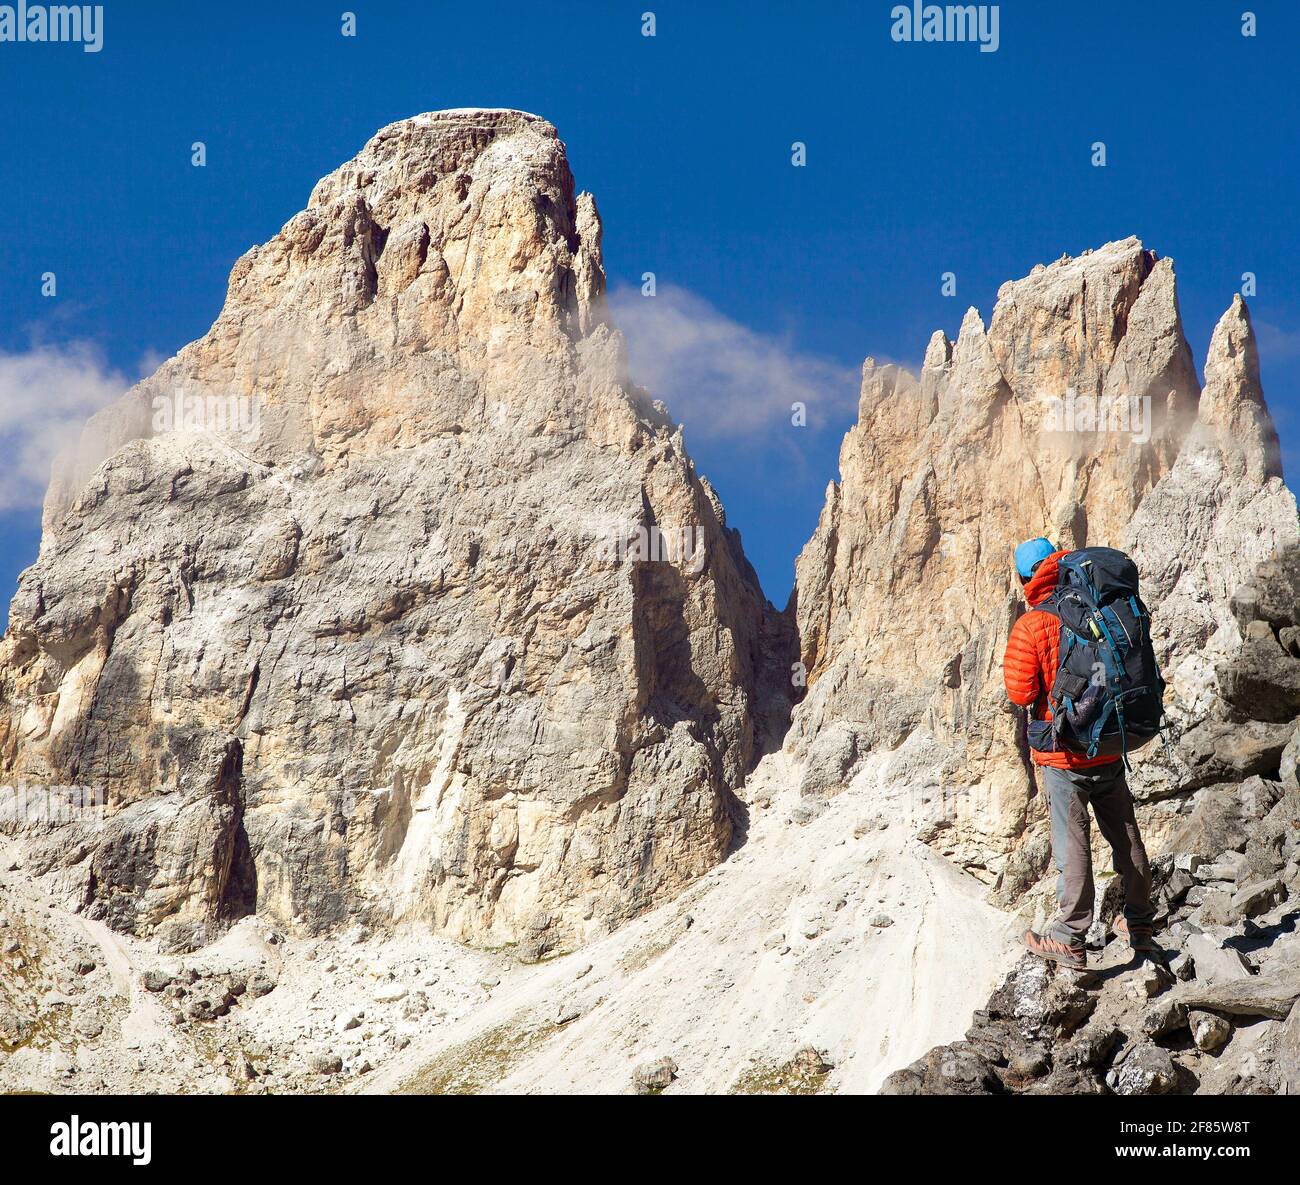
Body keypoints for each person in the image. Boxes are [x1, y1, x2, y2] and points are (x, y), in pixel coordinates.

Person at [1003, 537, 1157, 968]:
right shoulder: (1097, 611)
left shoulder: (1033, 625)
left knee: (1073, 845)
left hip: (1064, 756)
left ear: (1025, 579)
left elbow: (1020, 692)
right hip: (1108, 744)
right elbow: (1108, 672)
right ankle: (1141, 924)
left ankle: (1071, 937)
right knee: (1126, 837)